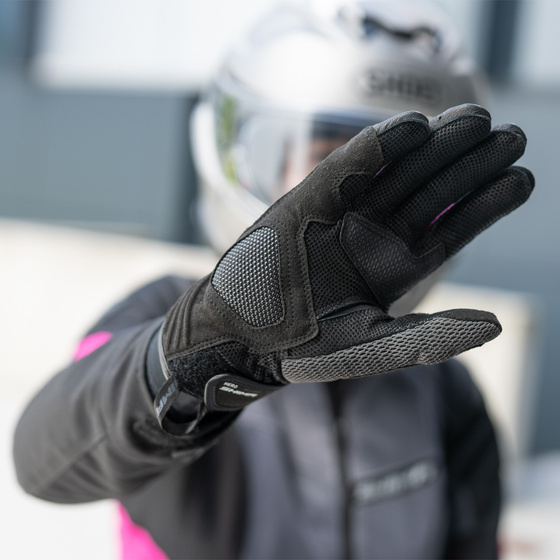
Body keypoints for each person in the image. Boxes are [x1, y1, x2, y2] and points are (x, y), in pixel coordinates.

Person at [13, 2, 534, 559]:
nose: (354, 199)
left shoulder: (441, 385)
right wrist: (203, 358)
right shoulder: (164, 316)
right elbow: (45, 459)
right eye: (324, 160)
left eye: (395, 177)